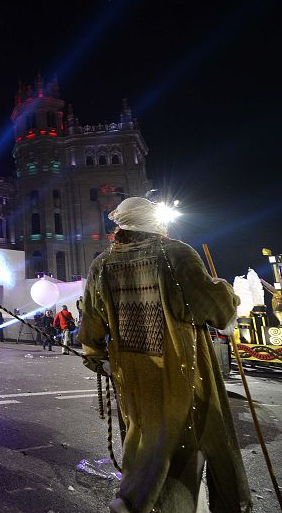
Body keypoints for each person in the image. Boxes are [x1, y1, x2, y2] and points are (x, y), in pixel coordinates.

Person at [78, 197, 251, 512]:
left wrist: (96, 356)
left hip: (132, 378)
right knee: (187, 449)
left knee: (143, 444)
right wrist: (225, 290)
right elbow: (217, 310)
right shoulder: (177, 254)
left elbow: (90, 324)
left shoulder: (102, 264)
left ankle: (134, 501)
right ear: (153, 223)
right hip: (183, 374)